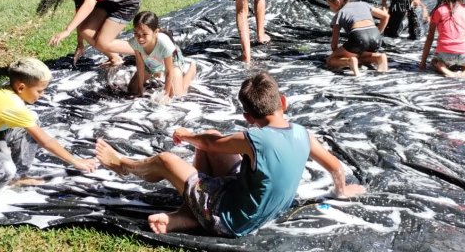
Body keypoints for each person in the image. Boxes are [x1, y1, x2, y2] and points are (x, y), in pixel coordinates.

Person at [94, 72, 366, 236]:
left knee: (166, 159)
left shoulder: (254, 138)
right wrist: (341, 191)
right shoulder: (304, 134)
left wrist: (185, 135)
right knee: (210, 137)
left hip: (229, 221)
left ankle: (123, 165)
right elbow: (335, 168)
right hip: (267, 210)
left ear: (248, 117)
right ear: (283, 102)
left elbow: (212, 144)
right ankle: (187, 213)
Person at [0, 58, 98, 203]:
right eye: (40, 91)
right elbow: (45, 141)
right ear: (21, 87)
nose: (42, 95)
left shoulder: (7, 92)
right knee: (3, 171)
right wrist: (76, 162)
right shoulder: (11, 104)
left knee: (30, 122)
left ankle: (18, 176)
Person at [121, 11, 197, 98]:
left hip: (172, 62)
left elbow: (168, 71)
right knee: (132, 89)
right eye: (136, 33)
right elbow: (140, 65)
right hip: (151, 61)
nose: (140, 38)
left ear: (155, 32)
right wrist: (140, 90)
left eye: (145, 34)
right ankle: (157, 71)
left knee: (177, 94)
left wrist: (166, 94)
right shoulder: (135, 42)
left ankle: (192, 68)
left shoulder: (164, 43)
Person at [326, 0, 390, 76]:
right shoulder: (362, 4)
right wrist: (378, 33)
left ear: (337, 2)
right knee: (360, 56)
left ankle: (350, 61)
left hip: (358, 37)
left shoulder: (339, 14)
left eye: (329, 3)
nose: (329, 7)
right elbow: (385, 16)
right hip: (375, 36)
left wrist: (338, 55)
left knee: (330, 61)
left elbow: (334, 44)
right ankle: (379, 58)